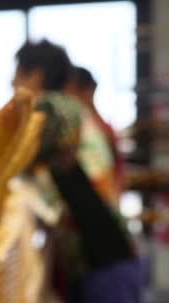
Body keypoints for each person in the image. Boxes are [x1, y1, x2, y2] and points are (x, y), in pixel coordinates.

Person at [14, 40, 141, 303]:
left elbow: (17, 162)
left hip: (103, 256)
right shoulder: (71, 109)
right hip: (101, 256)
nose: (12, 82)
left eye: (18, 74)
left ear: (35, 75)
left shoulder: (53, 108)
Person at [67, 66, 124, 204]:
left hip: (98, 201)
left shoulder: (91, 129)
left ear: (87, 90)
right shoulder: (101, 127)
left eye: (70, 91)